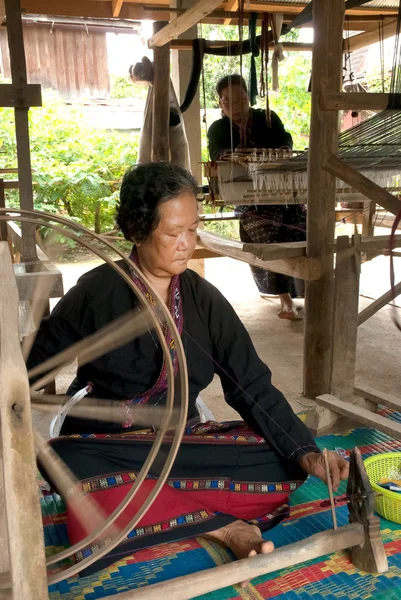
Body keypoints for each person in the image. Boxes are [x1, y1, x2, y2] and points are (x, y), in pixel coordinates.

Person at [28, 162, 348, 581]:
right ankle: (223, 526)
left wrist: (304, 451)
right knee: (65, 462)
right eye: (171, 232)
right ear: (138, 231)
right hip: (106, 447)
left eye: (192, 230)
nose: (185, 243)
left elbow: (249, 383)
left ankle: (164, 513)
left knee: (278, 457)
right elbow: (31, 368)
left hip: (181, 442)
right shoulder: (96, 292)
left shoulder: (204, 300)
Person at [208, 74, 307, 321]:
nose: (235, 105)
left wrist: (281, 151)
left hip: (279, 189)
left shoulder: (268, 118)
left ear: (247, 97)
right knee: (264, 232)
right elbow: (217, 151)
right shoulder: (218, 128)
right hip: (246, 194)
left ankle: (307, 293)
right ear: (221, 104)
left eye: (240, 98)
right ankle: (285, 300)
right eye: (227, 101)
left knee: (299, 228)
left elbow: (285, 139)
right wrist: (236, 156)